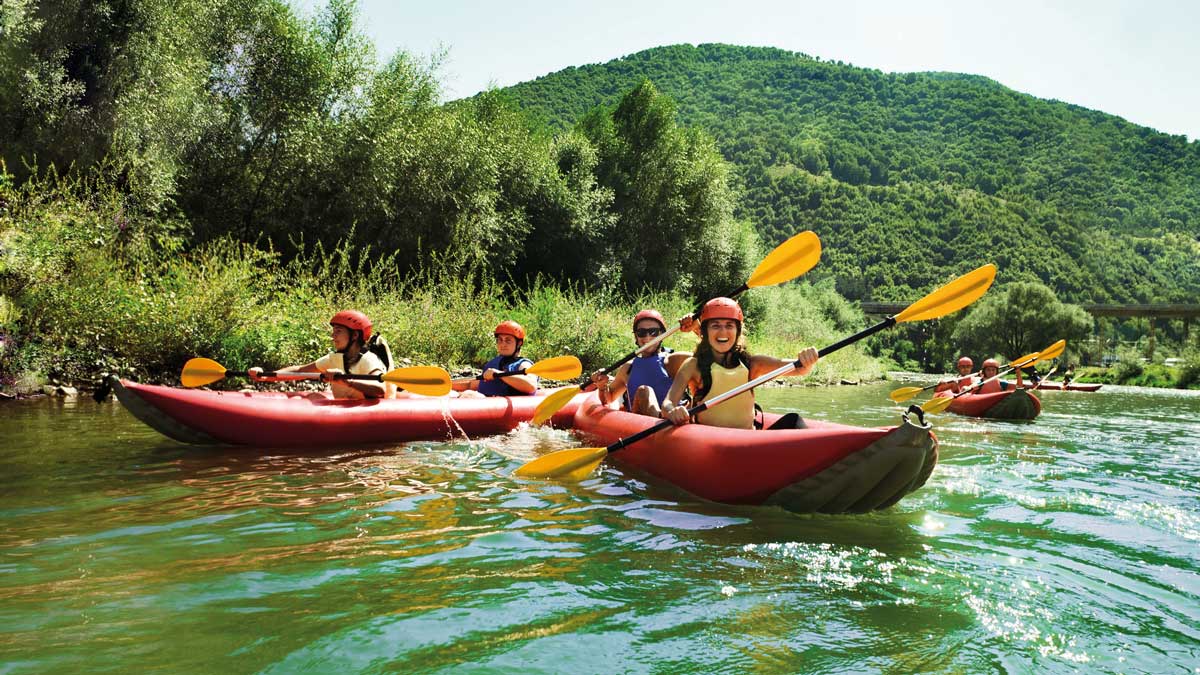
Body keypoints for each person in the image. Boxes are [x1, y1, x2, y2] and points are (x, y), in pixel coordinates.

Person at [661, 297, 819, 430]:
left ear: (737, 331)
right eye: (715, 325)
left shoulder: (753, 364)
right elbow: (667, 404)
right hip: (710, 441)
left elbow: (799, 369)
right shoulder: (693, 365)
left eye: (729, 325)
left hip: (747, 441)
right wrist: (672, 411)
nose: (723, 332)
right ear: (705, 331)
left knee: (794, 420)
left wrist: (807, 359)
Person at [249, 310, 386, 399]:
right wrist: (266, 376)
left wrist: (346, 381)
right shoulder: (334, 359)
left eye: (338, 331)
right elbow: (299, 371)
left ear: (354, 335)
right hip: (343, 409)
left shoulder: (369, 359)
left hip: (367, 412)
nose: (333, 336)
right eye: (333, 331)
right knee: (310, 396)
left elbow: (380, 389)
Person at [589, 309, 692, 416]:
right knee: (644, 392)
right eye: (641, 333)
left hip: (674, 420)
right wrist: (602, 386)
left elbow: (703, 360)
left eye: (653, 332)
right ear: (636, 336)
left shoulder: (673, 361)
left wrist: (697, 328)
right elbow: (608, 399)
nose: (647, 337)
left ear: (662, 334)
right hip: (642, 422)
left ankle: (665, 416)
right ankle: (661, 416)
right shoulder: (628, 368)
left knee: (644, 391)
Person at [454, 320, 538, 398]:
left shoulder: (523, 364)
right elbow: (471, 384)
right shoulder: (493, 364)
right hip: (486, 403)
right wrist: (448, 385)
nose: (503, 344)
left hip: (510, 407)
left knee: (470, 395)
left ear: (519, 344)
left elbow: (531, 386)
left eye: (508, 340)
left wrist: (499, 374)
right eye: (500, 340)